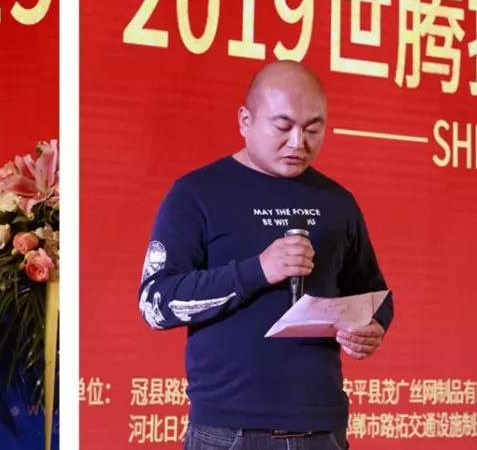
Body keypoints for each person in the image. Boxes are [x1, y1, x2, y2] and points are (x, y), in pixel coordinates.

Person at [138, 61, 394, 450]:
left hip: (321, 428)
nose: (297, 143)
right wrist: (258, 270)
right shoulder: (197, 193)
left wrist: (371, 327)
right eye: (283, 127)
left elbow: (374, 292)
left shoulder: (337, 202)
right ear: (245, 120)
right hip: (230, 432)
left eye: (313, 129)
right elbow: (155, 303)